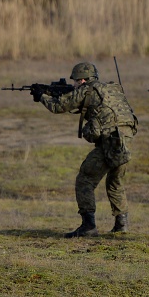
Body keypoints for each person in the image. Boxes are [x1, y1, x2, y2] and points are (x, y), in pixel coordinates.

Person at [31, 62, 138, 238]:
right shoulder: (111, 89)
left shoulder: (85, 90)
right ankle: (122, 224)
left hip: (111, 141)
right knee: (115, 181)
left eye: (75, 82)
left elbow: (58, 106)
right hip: (127, 139)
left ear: (82, 80)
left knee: (85, 179)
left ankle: (88, 226)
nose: (73, 85)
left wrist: (41, 96)